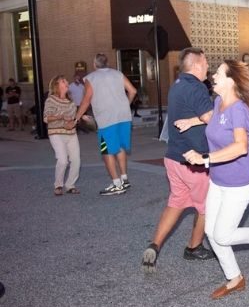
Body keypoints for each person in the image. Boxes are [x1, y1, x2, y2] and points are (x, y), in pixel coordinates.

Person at [179, 60, 249, 299]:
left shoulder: (239, 110)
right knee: (210, 231)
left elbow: (239, 147)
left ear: (231, 81)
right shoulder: (219, 102)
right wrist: (192, 121)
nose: (212, 75)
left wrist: (204, 158)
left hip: (239, 184)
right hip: (218, 181)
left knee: (223, 235)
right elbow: (212, 119)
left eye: (217, 73)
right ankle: (235, 278)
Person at [141, 48, 216, 274]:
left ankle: (154, 245)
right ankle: (194, 247)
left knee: (176, 202)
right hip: (193, 160)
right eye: (204, 64)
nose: (207, 68)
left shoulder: (177, 86)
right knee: (206, 206)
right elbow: (211, 119)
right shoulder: (197, 87)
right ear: (195, 66)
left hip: (173, 157)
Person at [76, 53, 137, 195]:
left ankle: (116, 184)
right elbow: (133, 91)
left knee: (106, 151)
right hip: (123, 116)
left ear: (94, 64)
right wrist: (125, 104)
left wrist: (77, 117)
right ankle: (124, 179)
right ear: (107, 62)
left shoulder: (91, 78)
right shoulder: (118, 74)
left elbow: (86, 100)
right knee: (120, 147)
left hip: (106, 119)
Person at [43, 75, 81, 196]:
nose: (66, 82)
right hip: (56, 133)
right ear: (57, 85)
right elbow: (46, 118)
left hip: (71, 133)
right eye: (63, 81)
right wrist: (61, 117)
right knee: (63, 160)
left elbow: (73, 119)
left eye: (66, 80)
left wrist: (77, 120)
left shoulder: (71, 102)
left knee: (76, 160)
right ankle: (58, 185)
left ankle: (70, 185)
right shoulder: (51, 100)